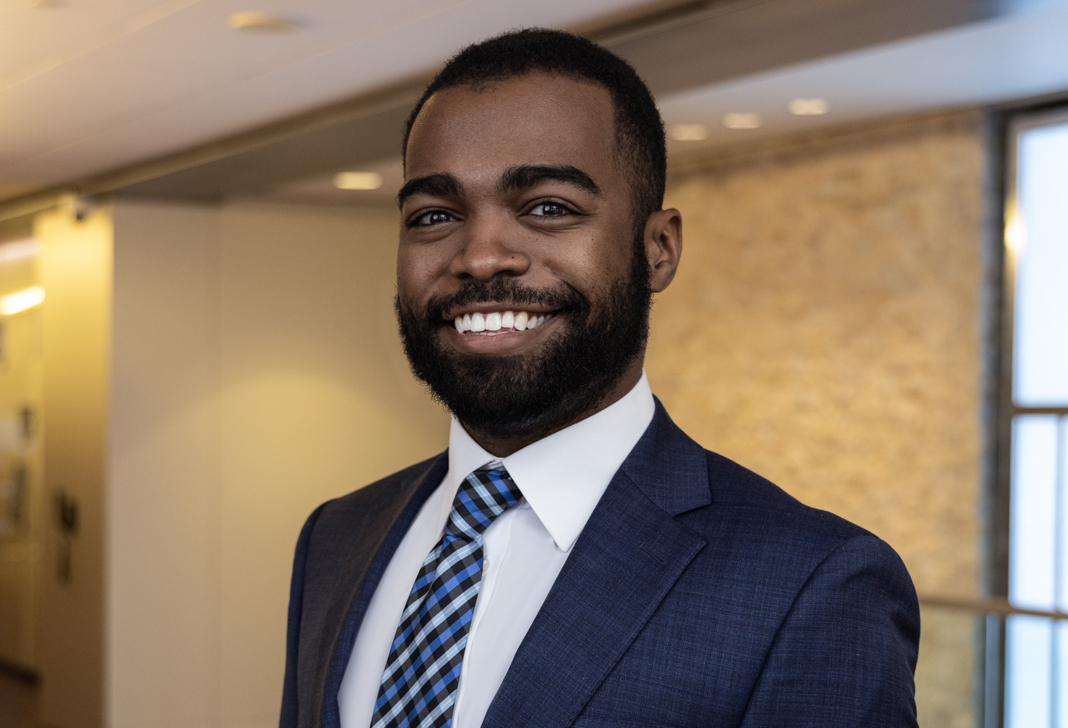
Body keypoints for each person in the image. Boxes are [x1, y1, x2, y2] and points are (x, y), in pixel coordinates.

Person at [280, 28, 920, 728]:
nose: (481, 257)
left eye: (548, 208)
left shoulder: (812, 587)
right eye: (435, 216)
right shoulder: (337, 536)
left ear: (659, 250)